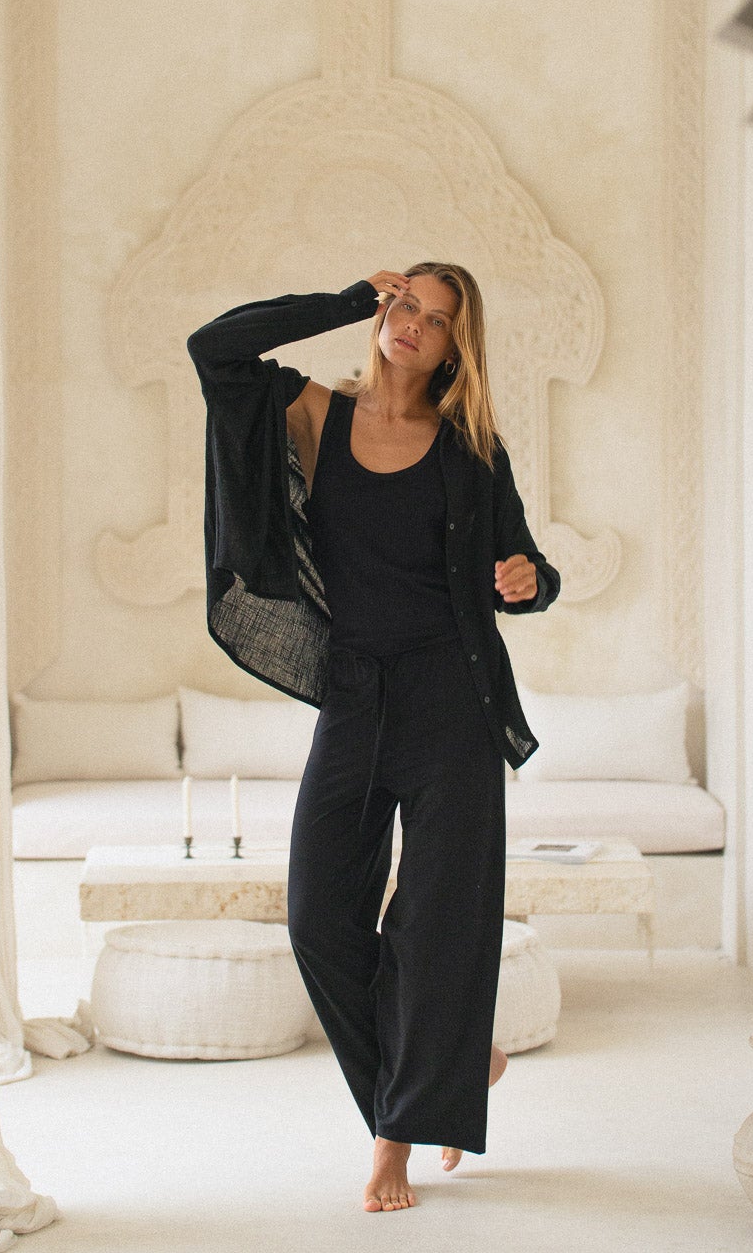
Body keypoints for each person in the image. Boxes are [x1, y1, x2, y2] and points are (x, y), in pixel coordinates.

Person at [186, 263, 560, 1212]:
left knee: (434, 929)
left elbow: (525, 563)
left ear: (454, 345)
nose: (413, 326)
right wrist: (348, 298)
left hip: (452, 702)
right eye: (405, 306)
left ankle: (393, 1138)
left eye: (436, 321)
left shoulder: (470, 449)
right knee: (318, 918)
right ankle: (454, 1059)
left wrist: (527, 579)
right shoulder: (316, 416)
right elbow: (217, 345)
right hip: (356, 696)